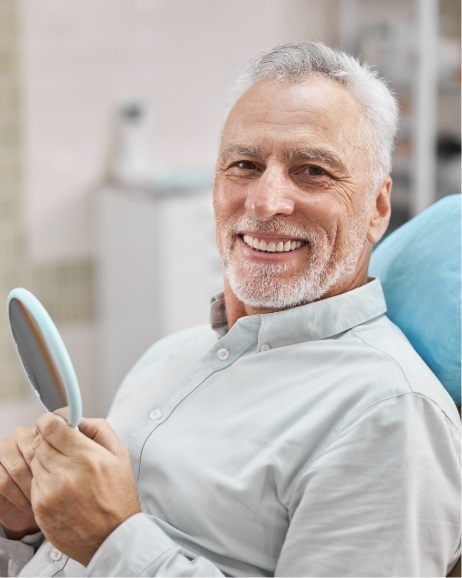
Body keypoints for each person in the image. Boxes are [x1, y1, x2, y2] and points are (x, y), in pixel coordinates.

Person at [0, 41, 460, 577]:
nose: (265, 202)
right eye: (244, 165)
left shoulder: (388, 415)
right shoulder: (168, 356)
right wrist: (25, 528)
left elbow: (107, 546)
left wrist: (114, 541)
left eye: (312, 171)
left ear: (378, 208)